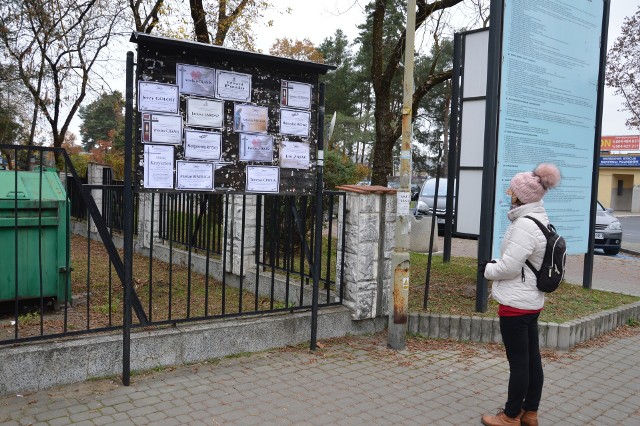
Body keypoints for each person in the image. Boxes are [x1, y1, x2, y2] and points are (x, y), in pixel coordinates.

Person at [480, 163, 561, 426]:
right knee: (531, 359)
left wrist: (487, 269)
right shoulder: (540, 218)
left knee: (519, 363)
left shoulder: (524, 225)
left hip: (516, 303)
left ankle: (510, 415)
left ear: (520, 196)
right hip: (531, 301)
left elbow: (509, 267)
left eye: (511, 190)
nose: (508, 193)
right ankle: (530, 413)